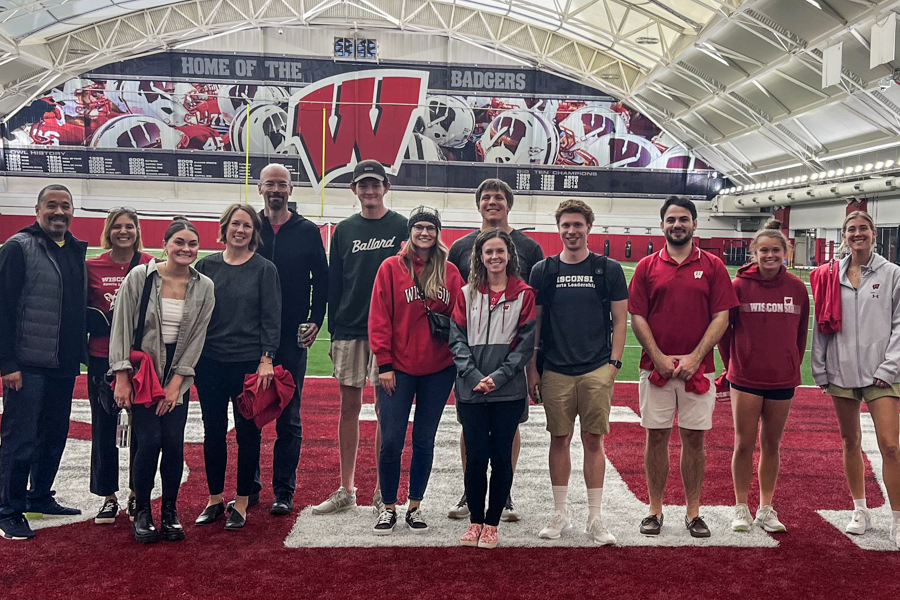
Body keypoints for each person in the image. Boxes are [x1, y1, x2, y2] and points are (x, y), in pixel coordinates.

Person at [628, 196, 738, 539]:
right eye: (671, 219)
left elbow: (723, 316)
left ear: (694, 224)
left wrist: (695, 356)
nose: (678, 224)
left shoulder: (714, 266)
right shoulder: (646, 266)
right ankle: (655, 510)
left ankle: (693, 512)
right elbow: (637, 316)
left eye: (684, 219)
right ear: (662, 225)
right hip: (655, 367)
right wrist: (659, 356)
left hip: (698, 370)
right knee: (656, 437)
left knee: (693, 439)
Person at [527, 200, 627, 545]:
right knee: (559, 439)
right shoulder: (544, 270)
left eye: (577, 225)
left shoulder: (608, 269)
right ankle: (560, 512)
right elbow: (535, 324)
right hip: (555, 369)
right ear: (559, 229)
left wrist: (613, 365)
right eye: (566, 225)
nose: (571, 231)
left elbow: (620, 319)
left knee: (594, 440)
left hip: (596, 368)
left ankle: (595, 517)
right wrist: (533, 368)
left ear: (589, 228)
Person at [110, 217, 214, 543]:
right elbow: (122, 328)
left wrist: (178, 382)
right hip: (143, 374)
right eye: (179, 242)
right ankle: (142, 510)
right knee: (149, 441)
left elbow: (197, 337)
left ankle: (169, 511)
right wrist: (122, 376)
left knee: (172, 444)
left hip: (176, 376)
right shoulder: (140, 277)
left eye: (192, 244)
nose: (186, 249)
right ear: (166, 245)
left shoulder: (204, 286)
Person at [313, 160, 408, 516]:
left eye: (375, 184)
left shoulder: (402, 226)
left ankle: (384, 490)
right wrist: (334, 328)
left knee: (388, 410)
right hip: (351, 328)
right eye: (363, 185)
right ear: (354, 190)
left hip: (391, 332)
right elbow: (334, 282)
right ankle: (347, 487)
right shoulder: (345, 230)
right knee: (349, 407)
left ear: (386, 187)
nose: (370, 191)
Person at [447, 178, 544, 522]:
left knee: (509, 427)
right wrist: (469, 370)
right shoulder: (460, 246)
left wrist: (530, 368)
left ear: (509, 204)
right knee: (469, 428)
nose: (492, 202)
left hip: (511, 364)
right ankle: (468, 490)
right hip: (471, 362)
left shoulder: (530, 248)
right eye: (486, 196)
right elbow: (457, 306)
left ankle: (505, 494)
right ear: (478, 204)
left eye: (499, 197)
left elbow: (535, 313)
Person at [368, 206, 464, 535]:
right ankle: (389, 506)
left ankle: (415, 505)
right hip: (399, 369)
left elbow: (461, 317)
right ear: (410, 231)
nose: (424, 233)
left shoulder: (450, 272)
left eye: (430, 228)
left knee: (424, 439)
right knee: (392, 440)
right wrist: (384, 364)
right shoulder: (391, 268)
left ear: (438, 232)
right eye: (419, 227)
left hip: (439, 369)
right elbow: (379, 318)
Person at [0, 184, 87, 541]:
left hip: (64, 364)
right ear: (37, 210)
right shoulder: (18, 247)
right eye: (52, 205)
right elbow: (3, 308)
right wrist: (7, 362)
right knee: (20, 438)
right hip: (28, 363)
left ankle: (40, 495)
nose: (59, 212)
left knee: (53, 435)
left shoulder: (73, 249)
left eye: (65, 206)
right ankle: (8, 508)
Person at [812, 211, 900, 548]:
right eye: (851, 229)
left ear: (874, 233)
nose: (857, 233)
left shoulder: (892, 274)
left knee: (890, 446)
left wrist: (889, 367)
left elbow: (899, 326)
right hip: (842, 369)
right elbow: (823, 323)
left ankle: (897, 517)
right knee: (850, 442)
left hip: (884, 375)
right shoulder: (830, 275)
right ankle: (860, 509)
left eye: (863, 228)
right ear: (844, 236)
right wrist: (820, 367)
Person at [194, 204, 281, 530]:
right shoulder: (206, 266)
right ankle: (215, 498)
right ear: (225, 227)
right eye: (235, 224)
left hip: (248, 365)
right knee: (213, 433)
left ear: (253, 231)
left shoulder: (264, 269)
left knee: (248, 435)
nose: (240, 230)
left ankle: (242, 501)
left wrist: (266, 360)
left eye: (247, 225)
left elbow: (271, 318)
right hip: (211, 363)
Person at [718, 221, 809, 533]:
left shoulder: (797, 288)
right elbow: (723, 332)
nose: (769, 255)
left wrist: (792, 363)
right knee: (743, 444)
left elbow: (800, 334)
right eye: (763, 250)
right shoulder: (739, 286)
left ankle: (766, 508)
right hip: (745, 378)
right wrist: (733, 365)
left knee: (772, 445)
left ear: (785, 253)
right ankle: (741, 507)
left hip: (782, 380)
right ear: (753, 253)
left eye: (775, 250)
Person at [257, 163, 328, 516]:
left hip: (291, 337)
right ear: (259, 188)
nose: (276, 190)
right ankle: (248, 486)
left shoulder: (307, 231)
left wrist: (315, 319)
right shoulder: (248, 226)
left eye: (282, 184)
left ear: (290, 190)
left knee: (289, 415)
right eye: (269, 183)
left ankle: (283, 490)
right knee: (249, 413)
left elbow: (323, 280)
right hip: (250, 337)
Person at [86, 207, 154, 525]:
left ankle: (135, 492)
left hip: (139, 359)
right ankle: (108, 496)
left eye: (129, 226)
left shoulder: (149, 264)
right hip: (101, 356)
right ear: (108, 231)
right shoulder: (92, 266)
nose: (123, 231)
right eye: (117, 226)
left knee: (141, 429)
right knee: (104, 428)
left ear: (137, 230)